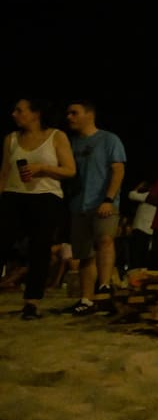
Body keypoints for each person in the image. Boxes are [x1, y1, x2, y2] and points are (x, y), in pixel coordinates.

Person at [0, 98, 77, 320]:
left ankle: (31, 303)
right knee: (2, 243)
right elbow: (4, 172)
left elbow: (70, 170)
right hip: (14, 195)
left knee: (40, 249)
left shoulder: (56, 136)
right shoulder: (11, 139)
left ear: (36, 113)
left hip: (46, 197)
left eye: (19, 110)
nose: (14, 114)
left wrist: (42, 168)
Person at [64, 99, 127, 314]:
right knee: (84, 254)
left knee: (105, 240)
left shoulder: (109, 139)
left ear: (89, 115)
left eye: (74, 113)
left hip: (103, 203)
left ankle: (105, 287)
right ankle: (86, 299)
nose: (69, 117)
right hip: (78, 204)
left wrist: (108, 199)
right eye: (68, 113)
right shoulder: (71, 143)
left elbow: (118, 170)